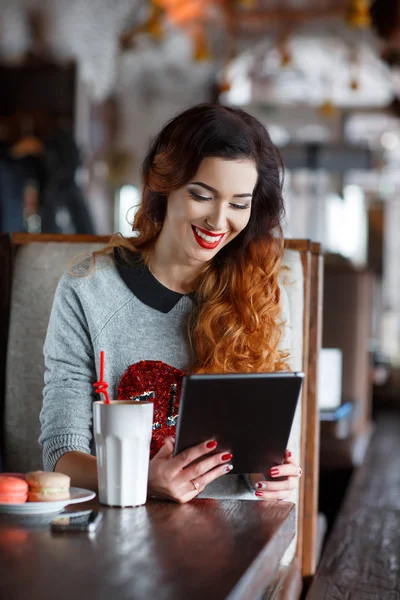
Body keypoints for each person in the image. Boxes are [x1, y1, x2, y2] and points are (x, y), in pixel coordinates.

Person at [39, 103, 302, 504]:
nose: (218, 221)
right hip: (122, 528)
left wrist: (271, 476)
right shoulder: (89, 291)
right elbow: (60, 457)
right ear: (164, 186)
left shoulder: (258, 292)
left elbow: (254, 464)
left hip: (234, 530)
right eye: (202, 195)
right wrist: (141, 477)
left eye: (238, 204)